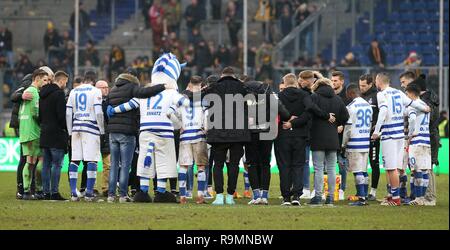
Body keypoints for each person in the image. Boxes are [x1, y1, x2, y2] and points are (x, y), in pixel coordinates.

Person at [108, 53, 189, 203]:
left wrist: (114, 110)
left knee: (145, 160)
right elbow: (185, 102)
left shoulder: (146, 91)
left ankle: (143, 192)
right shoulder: (172, 92)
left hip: (145, 131)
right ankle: (161, 192)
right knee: (163, 162)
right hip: (164, 131)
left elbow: (131, 104)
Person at [107, 71, 169, 203]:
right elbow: (142, 94)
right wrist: (163, 86)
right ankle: (123, 195)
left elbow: (107, 106)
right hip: (127, 131)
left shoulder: (112, 89)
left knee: (113, 165)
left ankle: (111, 195)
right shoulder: (132, 88)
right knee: (125, 165)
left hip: (112, 132)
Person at [371, 72, 429, 206]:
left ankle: (396, 198)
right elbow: (412, 103)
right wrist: (425, 107)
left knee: (390, 168)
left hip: (389, 135)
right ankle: (393, 195)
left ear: (379, 82)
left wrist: (376, 131)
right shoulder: (398, 92)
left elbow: (384, 111)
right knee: (395, 168)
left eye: (376, 81)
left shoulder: (381, 94)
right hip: (400, 136)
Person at [203, 67, 251, 205]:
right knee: (234, 165)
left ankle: (218, 196)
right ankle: (230, 195)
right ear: (234, 76)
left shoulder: (214, 87)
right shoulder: (242, 87)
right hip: (238, 133)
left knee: (217, 164)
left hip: (218, 132)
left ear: (222, 75)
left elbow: (200, 98)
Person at [167, 76, 208, 204]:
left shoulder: (181, 98)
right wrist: (205, 128)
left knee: (184, 166)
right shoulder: (203, 98)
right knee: (201, 167)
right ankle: (200, 196)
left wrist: (179, 125)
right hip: (199, 135)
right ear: (200, 85)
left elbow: (169, 112)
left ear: (189, 84)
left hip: (185, 137)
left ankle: (183, 197)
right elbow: (206, 115)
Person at [309, 78, 349, 206]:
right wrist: (337, 122)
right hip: (333, 137)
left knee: (319, 168)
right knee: (332, 168)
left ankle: (318, 196)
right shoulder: (337, 99)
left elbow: (309, 112)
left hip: (317, 136)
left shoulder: (314, 97)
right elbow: (346, 116)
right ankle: (331, 197)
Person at [66, 72, 105, 202]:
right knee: (92, 160)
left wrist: (70, 132)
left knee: (75, 160)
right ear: (93, 81)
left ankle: (73, 193)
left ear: (84, 80)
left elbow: (68, 113)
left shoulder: (73, 91)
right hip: (91, 128)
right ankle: (88, 193)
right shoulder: (95, 91)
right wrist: (102, 129)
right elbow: (98, 112)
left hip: (76, 127)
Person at [19, 69, 49, 200]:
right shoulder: (35, 93)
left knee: (29, 161)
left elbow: (21, 113)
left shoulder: (26, 92)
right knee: (41, 160)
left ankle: (26, 191)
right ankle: (39, 190)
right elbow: (36, 114)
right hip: (34, 132)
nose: (45, 83)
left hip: (24, 131)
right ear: (37, 79)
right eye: (44, 80)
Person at [39, 71, 69, 200]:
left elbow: (39, 115)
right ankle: (54, 193)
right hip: (56, 134)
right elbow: (61, 116)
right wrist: (65, 129)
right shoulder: (59, 94)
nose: (65, 85)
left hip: (45, 133)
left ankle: (46, 193)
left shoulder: (42, 94)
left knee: (46, 164)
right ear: (61, 81)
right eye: (65, 82)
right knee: (57, 164)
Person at [341, 84, 372, 206]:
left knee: (357, 170)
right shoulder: (368, 105)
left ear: (350, 93)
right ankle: (363, 196)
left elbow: (348, 128)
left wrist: (344, 144)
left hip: (355, 142)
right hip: (365, 141)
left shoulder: (351, 107)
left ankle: (361, 198)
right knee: (363, 170)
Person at [405, 84, 431, 206]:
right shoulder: (426, 106)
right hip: (426, 141)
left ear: (410, 94)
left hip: (417, 142)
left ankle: (419, 197)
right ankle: (423, 198)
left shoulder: (412, 107)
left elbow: (412, 119)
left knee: (417, 170)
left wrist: (411, 133)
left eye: (406, 94)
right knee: (425, 170)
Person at [9, 74, 33, 199]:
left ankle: (26, 187)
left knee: (27, 157)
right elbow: (13, 96)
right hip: (22, 124)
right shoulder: (27, 84)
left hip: (25, 124)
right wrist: (22, 95)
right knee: (25, 157)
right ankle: (21, 188)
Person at [359, 74, 380, 201]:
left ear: (371, 84)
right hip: (361, 136)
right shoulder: (360, 97)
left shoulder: (377, 96)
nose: (361, 88)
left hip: (373, 136)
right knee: (362, 164)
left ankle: (373, 191)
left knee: (374, 163)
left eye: (364, 85)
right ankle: (362, 191)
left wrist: (377, 128)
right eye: (360, 85)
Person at [331, 71, 351, 201]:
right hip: (330, 135)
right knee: (330, 164)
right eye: (332, 81)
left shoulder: (347, 98)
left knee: (342, 163)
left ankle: (342, 189)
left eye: (336, 81)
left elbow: (349, 116)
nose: (333, 83)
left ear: (342, 82)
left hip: (343, 137)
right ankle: (330, 189)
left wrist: (343, 125)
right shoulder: (329, 96)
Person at [95, 80, 111, 197]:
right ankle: (93, 187)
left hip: (106, 135)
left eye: (107, 87)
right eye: (103, 87)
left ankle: (106, 188)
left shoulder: (110, 101)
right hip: (94, 135)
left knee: (108, 164)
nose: (106, 89)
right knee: (93, 163)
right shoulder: (93, 101)